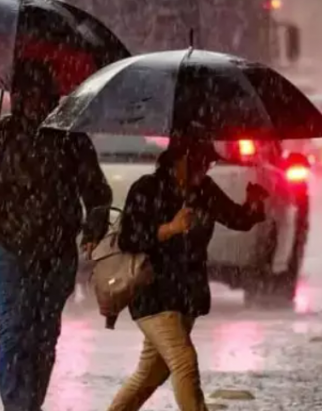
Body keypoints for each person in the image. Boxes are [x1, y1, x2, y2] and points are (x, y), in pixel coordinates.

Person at [0, 60, 112, 411]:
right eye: (27, 96)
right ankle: (18, 407)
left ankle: (29, 405)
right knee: (13, 332)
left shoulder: (72, 141)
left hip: (55, 255)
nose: (35, 104)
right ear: (16, 98)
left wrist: (92, 228)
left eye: (42, 96)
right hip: (5, 249)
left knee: (43, 337)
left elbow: (98, 194)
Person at [107, 137, 267, 411]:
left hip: (186, 294)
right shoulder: (146, 189)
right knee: (183, 361)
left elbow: (236, 219)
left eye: (208, 163)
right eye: (198, 163)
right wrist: (169, 228)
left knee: (150, 375)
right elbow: (129, 240)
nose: (203, 170)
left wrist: (253, 205)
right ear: (178, 160)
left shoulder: (204, 190)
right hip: (153, 292)